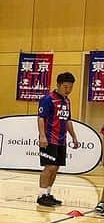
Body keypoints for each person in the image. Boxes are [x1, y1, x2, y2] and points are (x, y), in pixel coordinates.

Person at [36, 71, 80, 207]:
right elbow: (41, 117)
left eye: (71, 87)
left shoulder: (67, 101)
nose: (68, 90)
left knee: (56, 168)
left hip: (61, 140)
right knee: (50, 167)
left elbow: (67, 120)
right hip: (49, 139)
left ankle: (48, 193)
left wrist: (74, 137)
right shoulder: (48, 99)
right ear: (59, 85)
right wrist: (42, 136)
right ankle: (41, 195)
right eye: (66, 87)